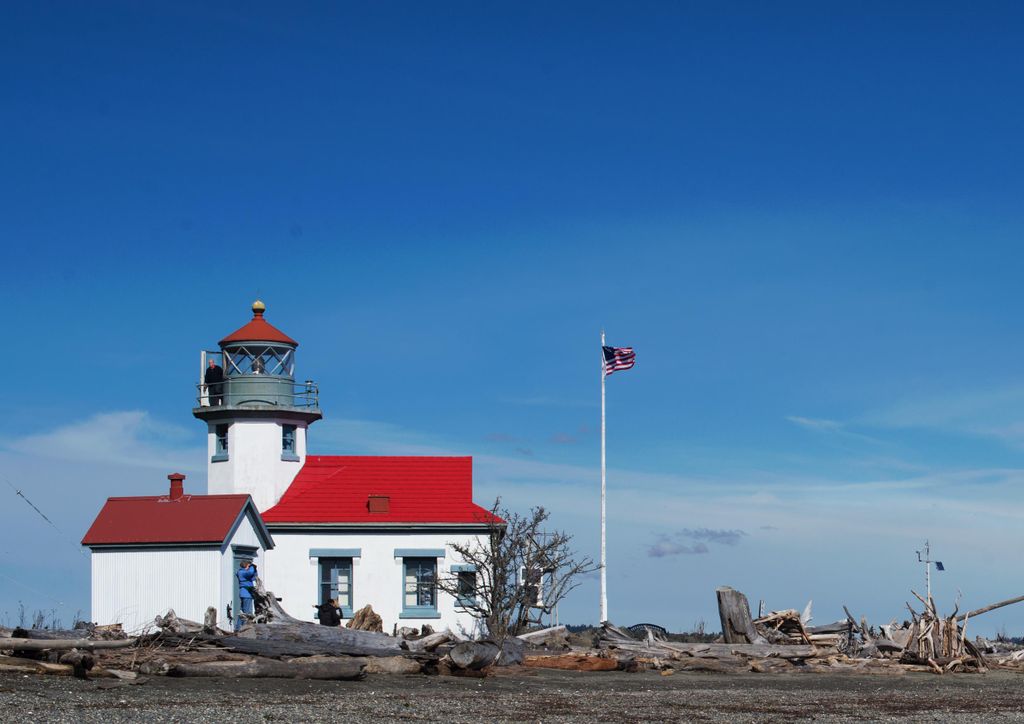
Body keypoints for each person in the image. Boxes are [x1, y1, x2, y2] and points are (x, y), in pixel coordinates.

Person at [235, 559, 258, 630]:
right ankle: (244, 628)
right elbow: (251, 572)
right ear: (246, 566)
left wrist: (254, 568)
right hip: (246, 594)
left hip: (244, 593)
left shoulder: (241, 572)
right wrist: (251, 566)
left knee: (242, 611)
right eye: (248, 565)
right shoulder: (242, 572)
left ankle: (238, 628)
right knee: (247, 612)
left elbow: (254, 576)